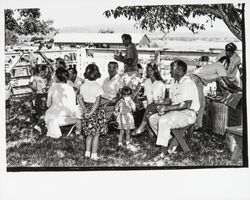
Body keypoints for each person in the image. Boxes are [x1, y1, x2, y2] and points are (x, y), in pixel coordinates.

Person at [148, 60, 200, 160]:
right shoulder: (174, 82)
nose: (170, 71)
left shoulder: (188, 83)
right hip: (176, 113)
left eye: (172, 68)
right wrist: (161, 103)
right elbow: (170, 99)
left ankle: (163, 152)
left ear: (179, 70)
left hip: (188, 114)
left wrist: (167, 108)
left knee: (164, 121)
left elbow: (186, 104)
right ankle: (169, 140)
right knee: (153, 119)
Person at [190, 58, 242, 130]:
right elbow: (227, 82)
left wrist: (233, 90)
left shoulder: (217, 69)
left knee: (202, 104)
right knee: (197, 104)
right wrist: (239, 89)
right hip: (196, 79)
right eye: (228, 64)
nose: (228, 67)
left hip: (197, 80)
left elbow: (224, 85)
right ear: (224, 62)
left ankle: (198, 125)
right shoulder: (220, 66)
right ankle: (194, 125)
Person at [78, 63, 107, 161]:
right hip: (96, 112)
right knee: (96, 134)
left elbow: (79, 99)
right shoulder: (98, 87)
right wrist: (91, 113)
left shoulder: (83, 86)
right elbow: (97, 103)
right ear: (97, 74)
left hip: (86, 109)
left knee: (89, 134)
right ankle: (94, 154)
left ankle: (87, 153)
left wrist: (85, 110)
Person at [132, 62, 169, 135]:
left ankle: (140, 128)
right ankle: (149, 131)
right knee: (142, 109)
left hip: (159, 106)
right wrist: (144, 104)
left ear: (155, 71)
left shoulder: (160, 83)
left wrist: (150, 105)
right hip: (148, 106)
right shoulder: (147, 81)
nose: (149, 73)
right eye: (148, 71)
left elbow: (161, 99)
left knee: (149, 108)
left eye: (151, 70)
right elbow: (145, 96)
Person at [45, 66, 80, 138]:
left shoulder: (52, 88)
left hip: (56, 114)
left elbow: (48, 105)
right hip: (69, 114)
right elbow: (73, 104)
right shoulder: (70, 88)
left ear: (57, 77)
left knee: (48, 115)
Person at [29, 64, 48, 133]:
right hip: (42, 96)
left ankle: (38, 127)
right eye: (44, 71)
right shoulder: (41, 80)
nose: (45, 73)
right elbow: (44, 90)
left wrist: (34, 89)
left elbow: (30, 85)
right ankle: (38, 126)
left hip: (37, 96)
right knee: (43, 112)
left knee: (38, 112)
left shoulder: (34, 78)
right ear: (41, 71)